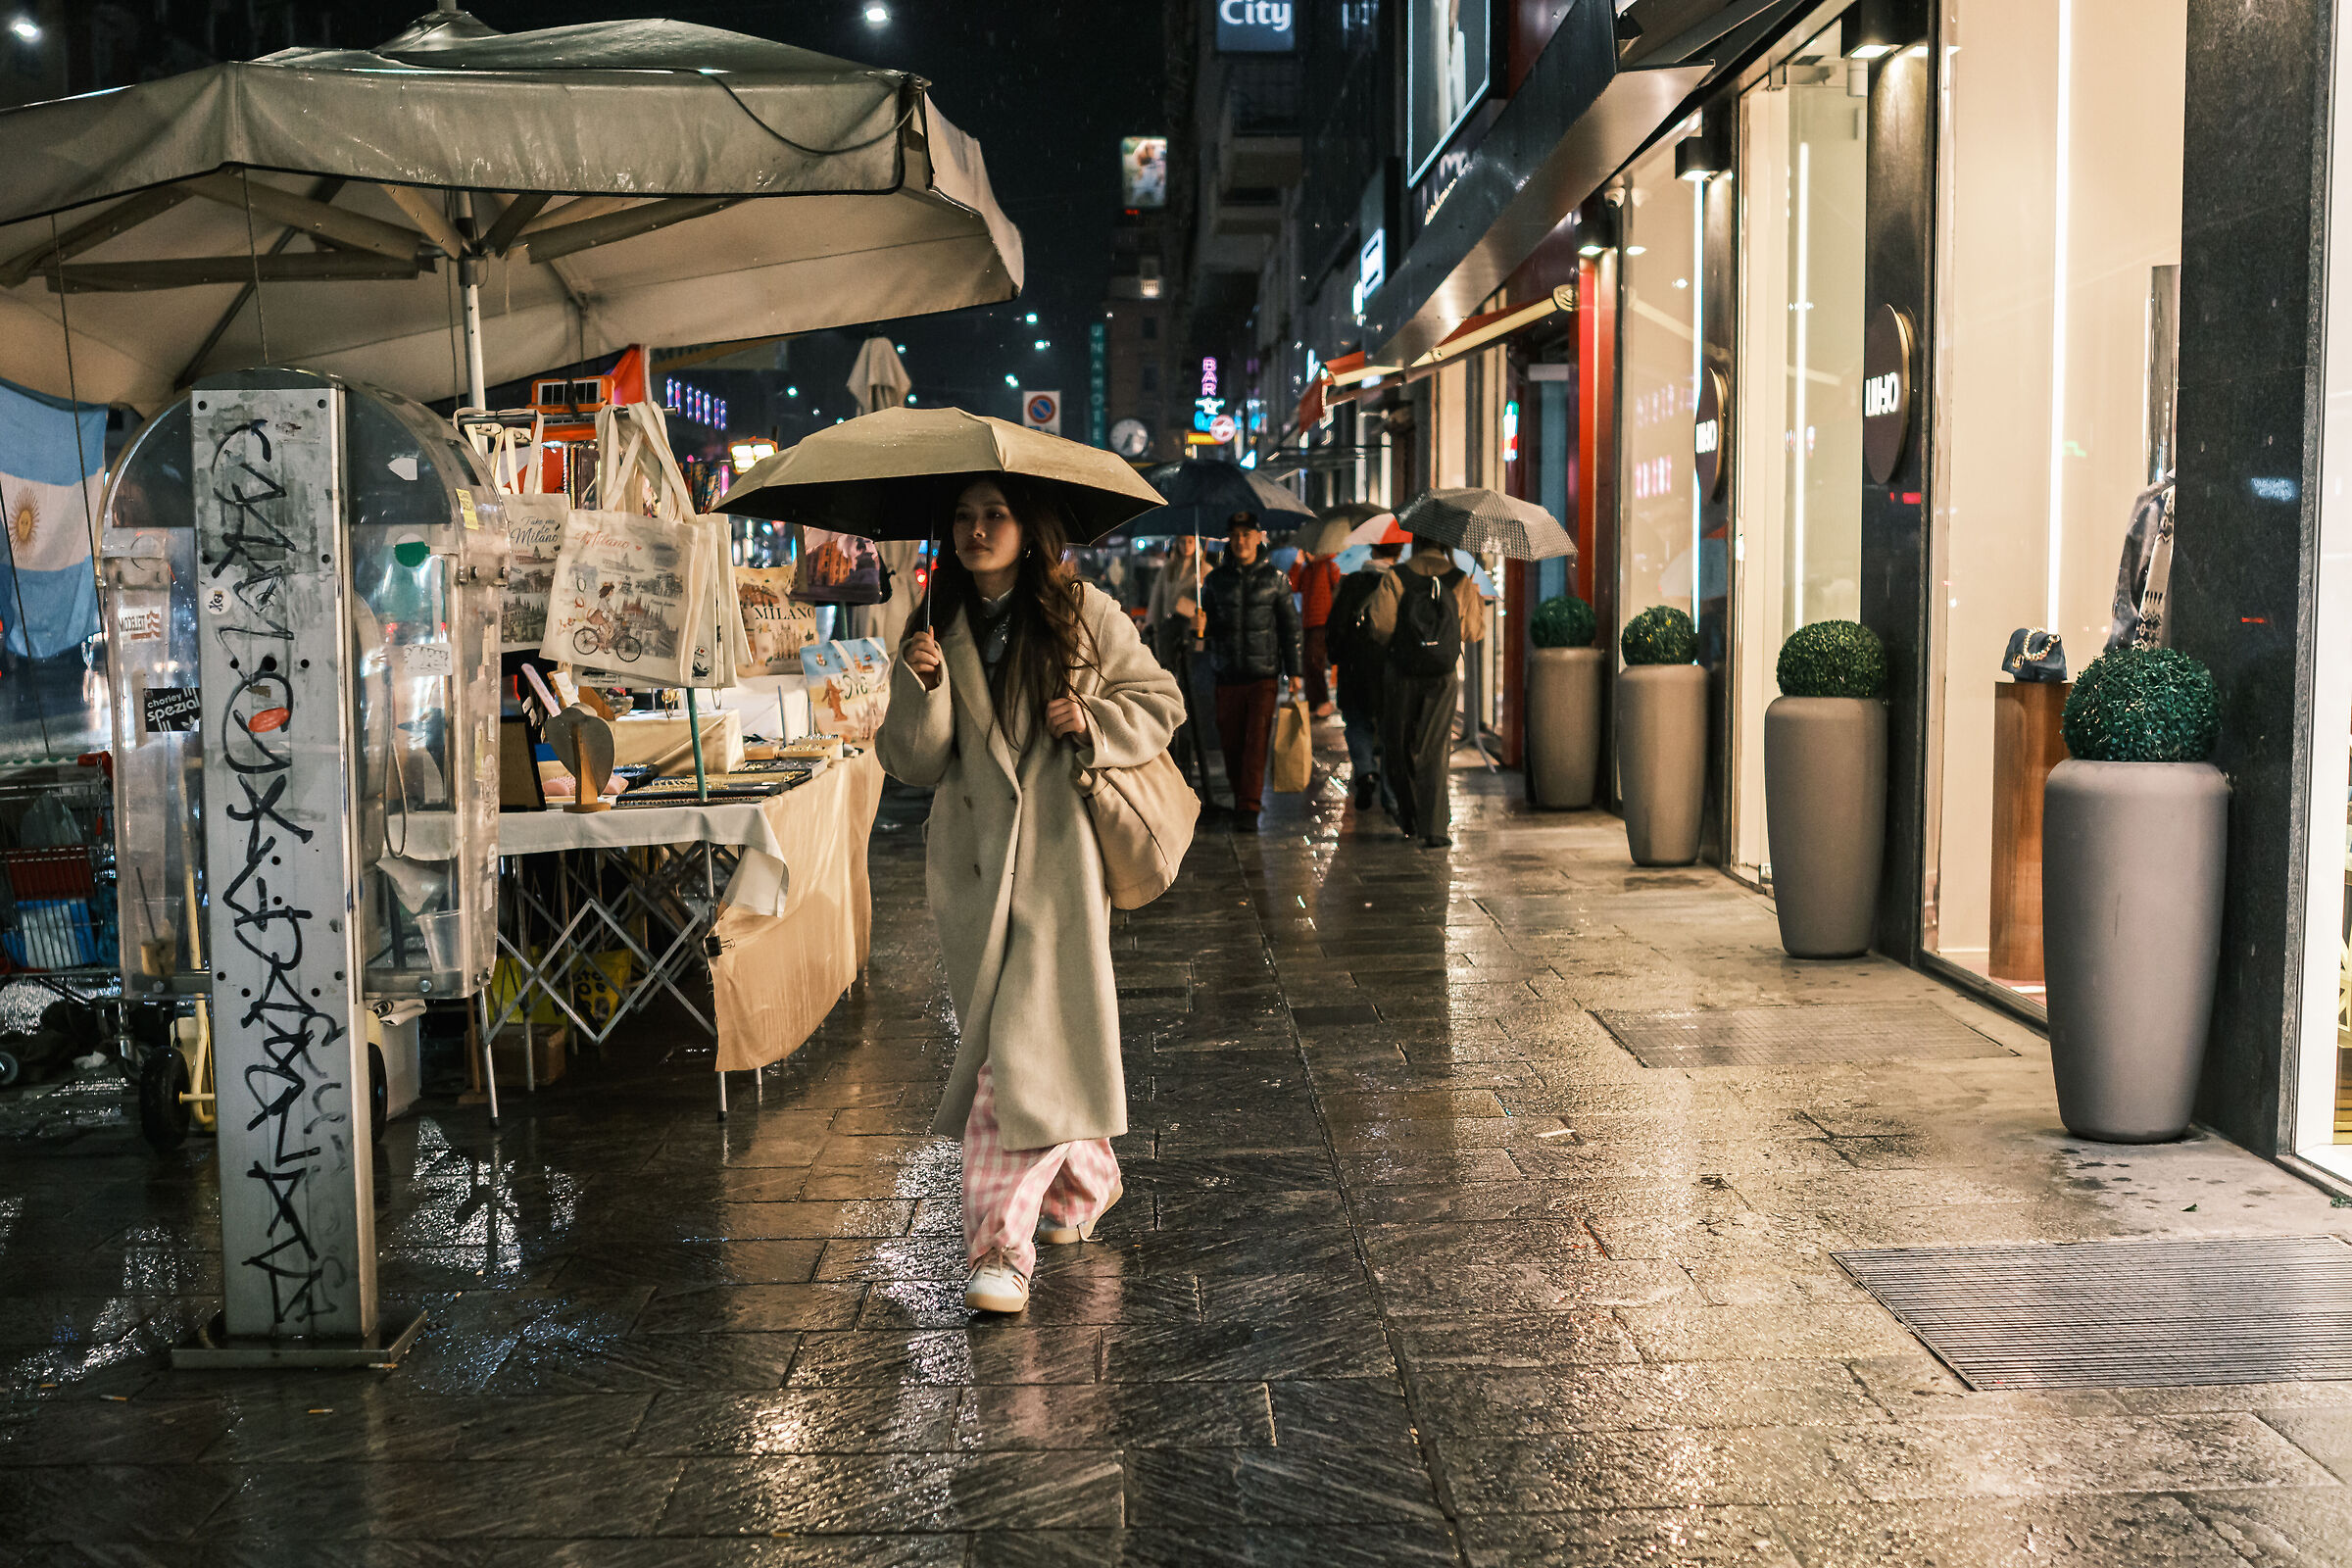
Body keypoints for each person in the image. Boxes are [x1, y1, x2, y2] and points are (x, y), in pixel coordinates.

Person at [876, 476, 1184, 1316]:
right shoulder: (934, 625)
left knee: (1006, 1062)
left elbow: (1160, 701)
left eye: (995, 514)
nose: (977, 530)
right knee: (1034, 1044)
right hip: (976, 871)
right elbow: (912, 762)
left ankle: (1000, 1253)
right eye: (964, 517)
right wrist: (920, 685)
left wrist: (1091, 718)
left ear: (1028, 526)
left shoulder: (1084, 613)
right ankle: (1086, 1184)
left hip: (1056, 865)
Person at [1367, 533, 1488, 848]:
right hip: (1442, 675)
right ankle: (1434, 828)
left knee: (1397, 743)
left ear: (1416, 542)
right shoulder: (1459, 579)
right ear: (1445, 543)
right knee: (1434, 749)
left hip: (1402, 672)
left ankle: (1409, 815)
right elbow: (1473, 631)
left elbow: (1380, 626)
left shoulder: (1397, 575)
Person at [1201, 513, 1301, 833]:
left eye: (1247, 534)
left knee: (1255, 742)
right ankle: (1239, 794)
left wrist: (1295, 671)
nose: (1241, 540)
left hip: (1263, 675)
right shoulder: (1215, 581)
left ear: (1259, 537)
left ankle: (1249, 806)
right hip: (1226, 673)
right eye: (1235, 535)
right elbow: (1211, 627)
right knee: (1230, 743)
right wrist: (1201, 628)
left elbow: (1290, 629)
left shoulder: (1276, 579)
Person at [1325, 539, 1403, 816]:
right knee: (1390, 730)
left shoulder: (1352, 582)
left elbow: (1334, 625)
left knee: (1357, 722)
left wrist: (1335, 656)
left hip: (1354, 668)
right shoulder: (1400, 583)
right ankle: (1391, 798)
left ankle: (1366, 772)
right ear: (1399, 552)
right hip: (1388, 669)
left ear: (1372, 550)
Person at [1145, 531, 1216, 802]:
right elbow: (1157, 601)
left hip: (1191, 637)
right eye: (1183, 541)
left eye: (1191, 541)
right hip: (1168, 634)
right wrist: (1151, 625)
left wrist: (1199, 595)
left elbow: (1207, 609)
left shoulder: (1206, 570)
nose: (1186, 546)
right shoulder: (1168, 570)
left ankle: (1189, 752)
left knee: (1191, 693)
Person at [1289, 545, 1344, 718]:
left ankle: (1323, 701)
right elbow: (1294, 585)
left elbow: (1338, 590)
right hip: (1308, 622)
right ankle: (1314, 704)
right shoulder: (1308, 568)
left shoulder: (1330, 565)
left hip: (1323, 622)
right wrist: (1297, 564)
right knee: (1308, 662)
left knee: (1314, 661)